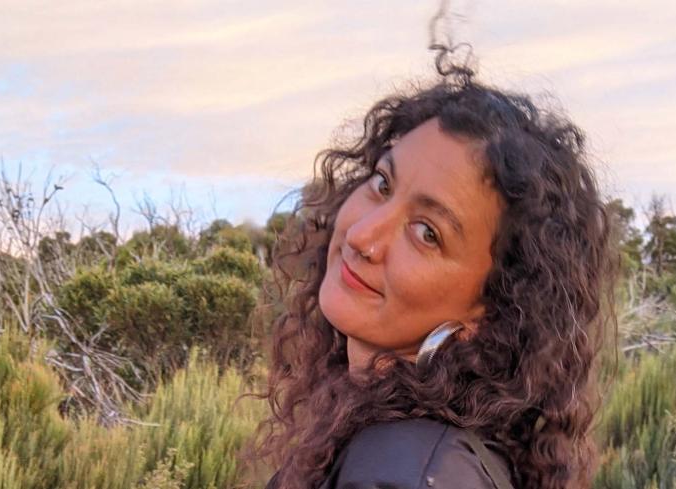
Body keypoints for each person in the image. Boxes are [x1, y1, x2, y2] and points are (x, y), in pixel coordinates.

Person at [251, 40, 617, 489]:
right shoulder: (417, 449)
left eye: (427, 233)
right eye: (383, 183)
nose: (363, 235)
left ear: (488, 310)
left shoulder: (405, 469)